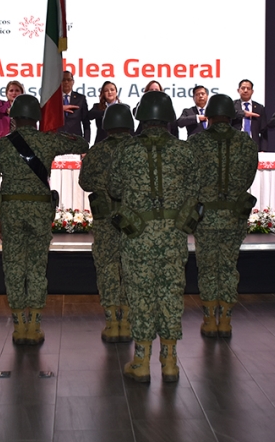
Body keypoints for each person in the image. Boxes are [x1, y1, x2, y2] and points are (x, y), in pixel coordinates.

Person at [0, 94, 89, 345]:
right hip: (40, 211)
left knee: (14, 266)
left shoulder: (0, 146)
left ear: (14, 118)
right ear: (37, 118)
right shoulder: (47, 141)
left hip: (11, 211)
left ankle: (19, 325)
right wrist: (54, 134)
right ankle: (35, 325)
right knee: (37, 266)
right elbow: (82, 144)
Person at [109, 91, 198, 383]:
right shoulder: (185, 152)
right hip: (174, 235)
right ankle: (170, 361)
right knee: (171, 293)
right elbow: (194, 191)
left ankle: (142, 361)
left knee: (140, 294)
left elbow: (114, 189)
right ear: (169, 118)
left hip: (138, 236)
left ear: (142, 118)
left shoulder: (125, 151)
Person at [188, 94, 258, 339]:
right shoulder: (245, 142)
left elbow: (189, 179)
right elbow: (250, 175)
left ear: (209, 115)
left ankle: (209, 320)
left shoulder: (196, 143)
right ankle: (225, 321)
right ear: (231, 116)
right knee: (228, 266)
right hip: (233, 215)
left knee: (207, 267)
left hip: (205, 216)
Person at [79, 103, 134, 343]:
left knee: (107, 268)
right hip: (134, 220)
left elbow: (85, 183)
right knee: (131, 267)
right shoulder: (137, 149)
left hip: (104, 219)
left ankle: (113, 322)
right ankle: (130, 320)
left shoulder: (97, 151)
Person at [232, 79, 269, 151]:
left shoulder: (259, 108)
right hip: (235, 145)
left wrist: (263, 150)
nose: (245, 90)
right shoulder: (232, 105)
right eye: (243, 88)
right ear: (238, 90)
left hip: (253, 145)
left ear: (252, 91)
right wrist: (243, 113)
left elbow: (264, 130)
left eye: (248, 88)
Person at [0, 80, 23, 147]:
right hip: (1, 141)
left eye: (17, 90)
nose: (14, 93)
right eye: (11, 90)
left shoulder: (24, 107)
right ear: (6, 93)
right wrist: (5, 110)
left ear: (21, 93)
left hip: (19, 141)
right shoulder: (2, 104)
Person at [60, 70, 91, 141]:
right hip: (58, 139)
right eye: (63, 80)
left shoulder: (81, 98)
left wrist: (86, 141)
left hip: (76, 139)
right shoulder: (54, 99)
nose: (66, 82)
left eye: (69, 80)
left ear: (73, 82)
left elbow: (86, 122)